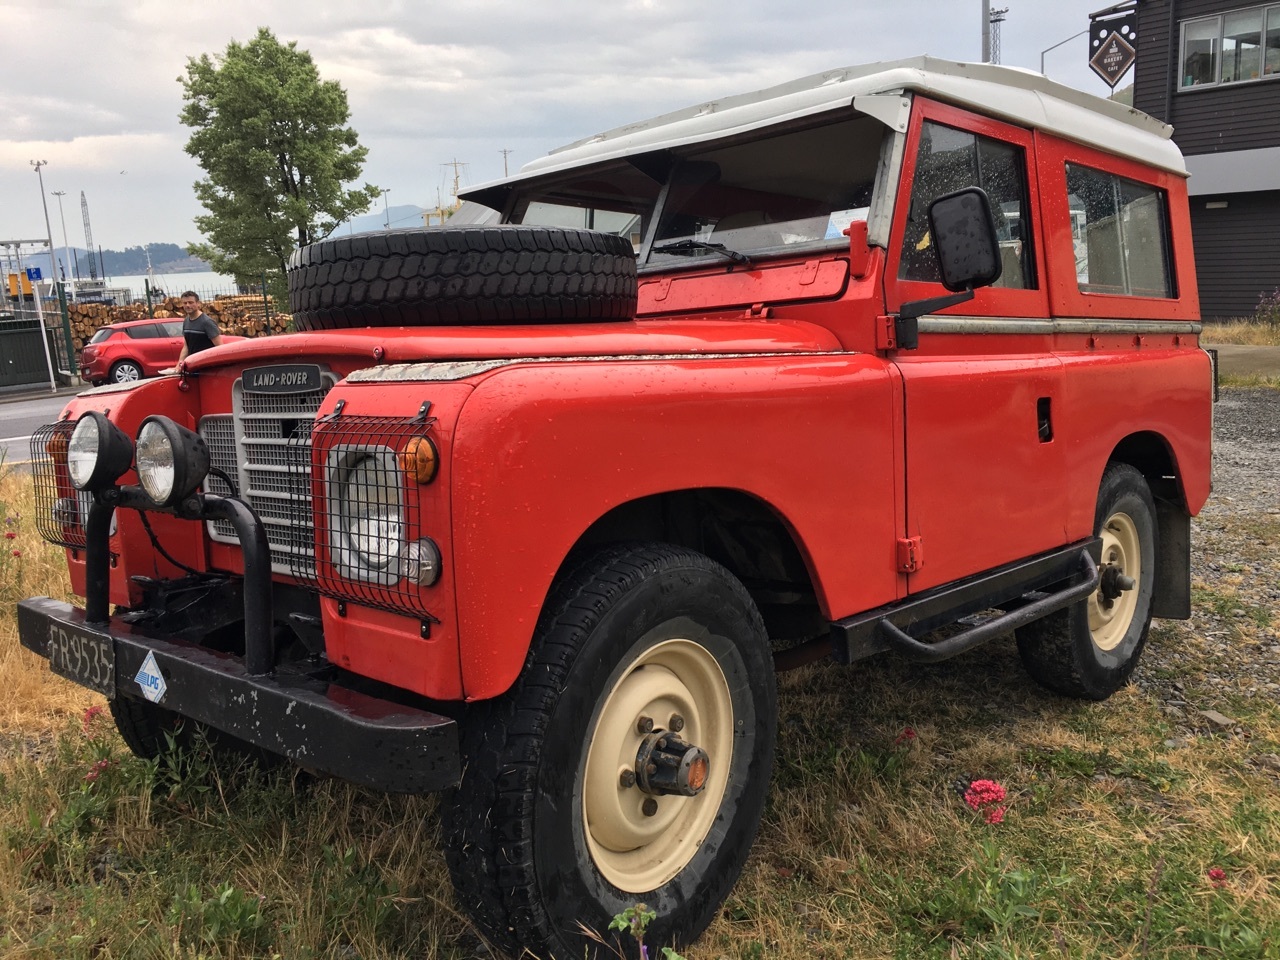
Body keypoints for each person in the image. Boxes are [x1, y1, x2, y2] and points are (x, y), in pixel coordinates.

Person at [176, 291, 223, 363]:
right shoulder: (186, 321)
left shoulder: (207, 322)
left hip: (206, 366)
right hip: (193, 365)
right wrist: (179, 363)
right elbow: (186, 346)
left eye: (191, 302)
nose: (187, 305)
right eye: (185, 303)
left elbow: (220, 347)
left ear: (198, 303)